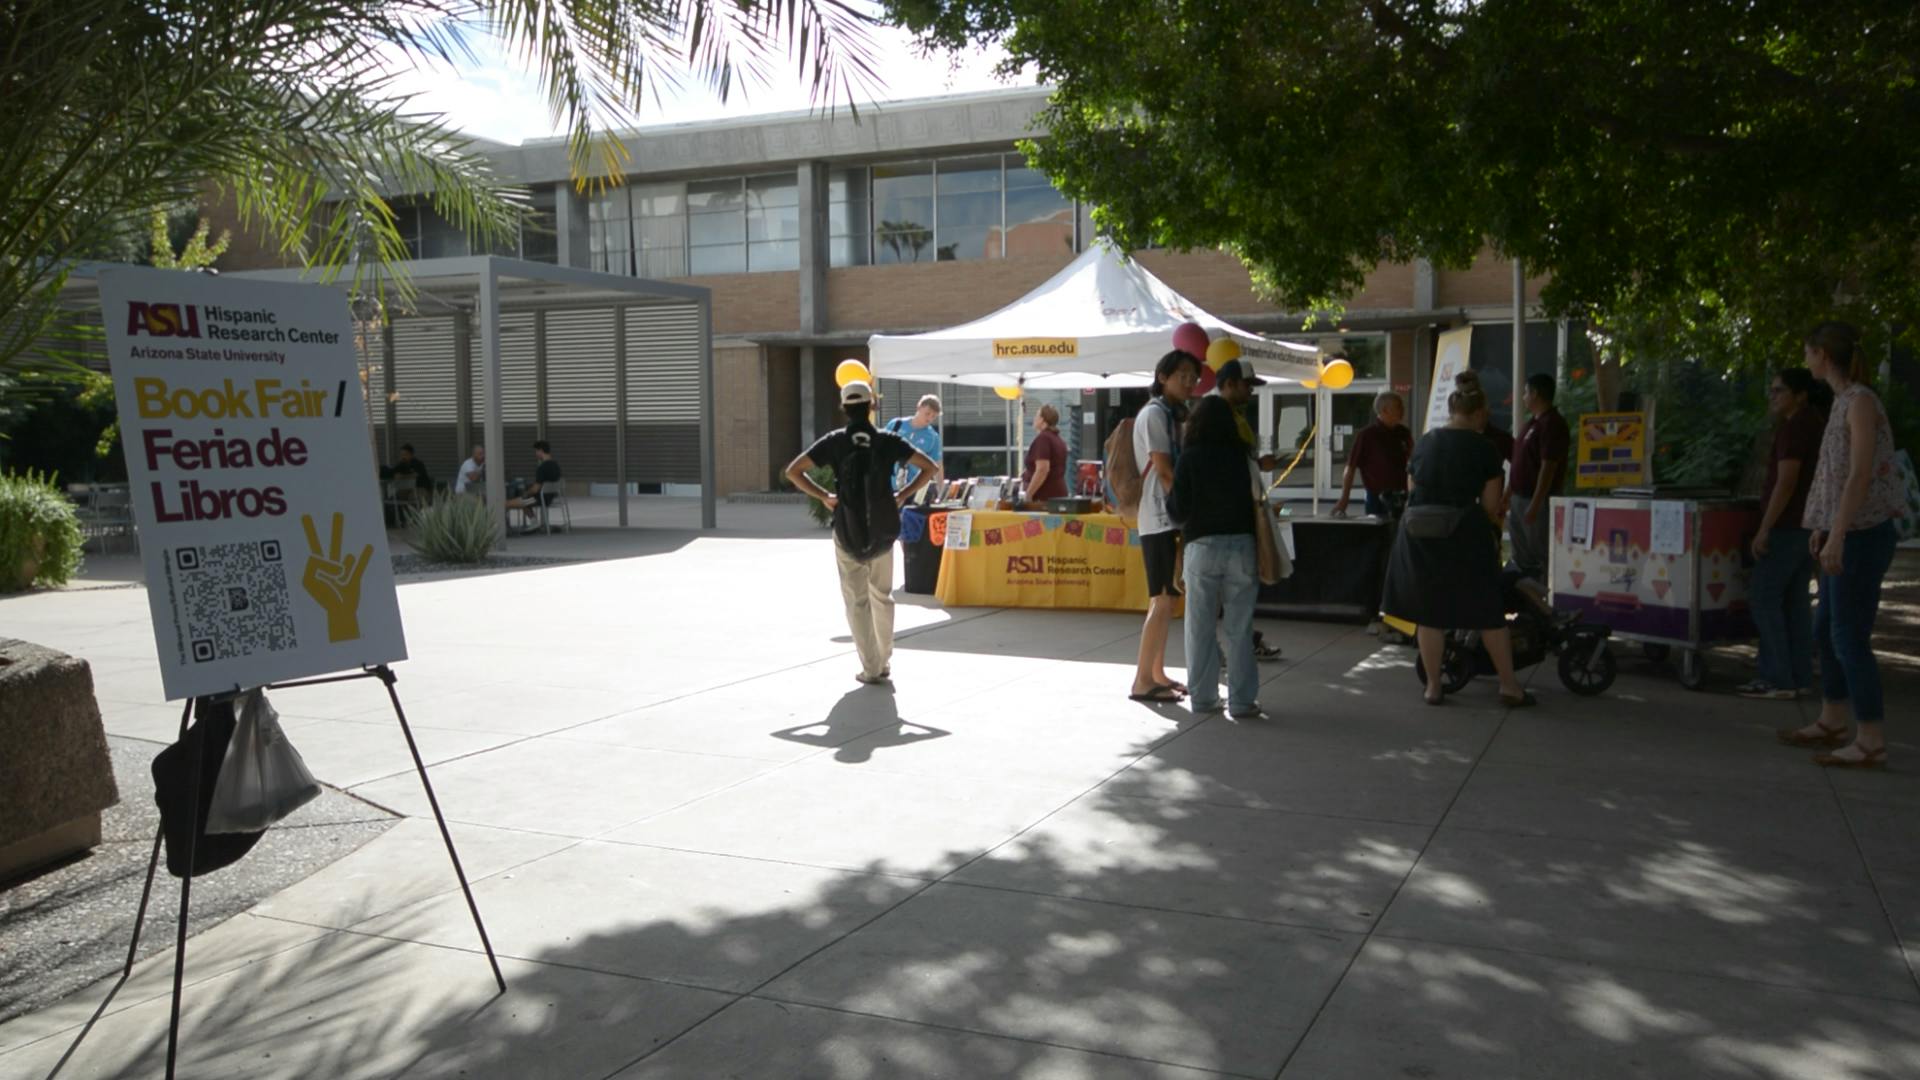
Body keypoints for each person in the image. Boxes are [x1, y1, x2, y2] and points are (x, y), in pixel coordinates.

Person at [1777, 322, 1904, 768]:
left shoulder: (1861, 401)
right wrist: (1823, 524)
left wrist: (1838, 532)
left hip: (1863, 536)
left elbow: (1859, 474)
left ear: (1823, 355)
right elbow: (1834, 474)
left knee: (1849, 636)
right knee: (1827, 630)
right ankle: (1832, 718)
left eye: (1808, 352)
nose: (1805, 359)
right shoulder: (1841, 402)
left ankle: (1870, 738)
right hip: (1844, 530)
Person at [1382, 378, 1536, 708]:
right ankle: (1509, 686)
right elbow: (1492, 503)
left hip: (1419, 536)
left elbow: (1412, 487)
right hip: (1465, 536)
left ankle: (1434, 686)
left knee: (1429, 613)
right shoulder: (1484, 449)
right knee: (1487, 611)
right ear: (1479, 413)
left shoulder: (1424, 443)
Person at [785, 380, 940, 685]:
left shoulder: (834, 441)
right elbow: (930, 467)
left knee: (856, 601)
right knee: (882, 596)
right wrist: (903, 494)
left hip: (847, 527)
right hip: (883, 527)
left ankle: (870, 666)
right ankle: (883, 661)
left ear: (844, 407)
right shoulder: (888, 439)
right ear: (872, 406)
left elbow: (793, 470)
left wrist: (824, 496)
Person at [1168, 396, 1263, 718]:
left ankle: (1205, 699)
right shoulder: (1242, 456)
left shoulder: (1189, 458)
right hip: (1242, 546)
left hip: (1202, 546)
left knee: (1200, 628)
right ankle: (1241, 702)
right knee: (1239, 627)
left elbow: (1177, 511)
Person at [1739, 367, 1825, 700]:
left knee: (1764, 598)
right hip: (1806, 526)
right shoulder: (1815, 424)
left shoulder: (1794, 430)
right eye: (1772, 391)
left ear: (1799, 395)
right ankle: (1798, 675)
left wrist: (1765, 527)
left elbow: (1786, 482)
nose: (1773, 397)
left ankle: (1776, 676)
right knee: (1795, 603)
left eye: (1779, 391)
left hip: (1787, 526)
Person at [1129, 349, 1202, 703]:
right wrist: (1187, 509)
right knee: (1161, 599)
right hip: (1160, 517)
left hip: (1164, 516)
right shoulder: (1156, 414)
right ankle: (1142, 681)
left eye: (1193, 376)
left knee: (1168, 599)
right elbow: (1164, 469)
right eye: (1183, 375)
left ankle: (1157, 674)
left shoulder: (1173, 415)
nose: (1189, 382)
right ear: (1163, 377)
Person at [1212, 357, 1284, 661]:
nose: (1251, 392)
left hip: (1237, 516)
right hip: (1225, 522)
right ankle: (1226, 653)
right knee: (1227, 595)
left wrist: (1257, 463)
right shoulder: (1215, 418)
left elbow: (1239, 463)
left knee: (1234, 595)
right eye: (1247, 385)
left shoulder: (1233, 416)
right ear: (1229, 385)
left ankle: (1231, 649)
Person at [1506, 373, 1571, 580]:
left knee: (1538, 553)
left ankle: (1541, 598)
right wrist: (1507, 495)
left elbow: (1548, 466)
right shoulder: (1531, 424)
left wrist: (1536, 503)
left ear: (1535, 394)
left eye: (1525, 392)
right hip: (1519, 497)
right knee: (1521, 554)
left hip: (1535, 501)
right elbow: (1518, 463)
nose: (1523, 397)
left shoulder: (1552, 424)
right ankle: (1525, 598)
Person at [1332, 392, 1413, 519]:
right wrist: (1344, 499)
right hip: (1377, 498)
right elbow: (1350, 468)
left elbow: (1412, 462)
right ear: (1385, 410)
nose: (1402, 410)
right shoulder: (1367, 435)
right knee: (1378, 536)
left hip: (1403, 496)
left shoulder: (1403, 433)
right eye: (1398, 407)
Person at [885, 394, 943, 491]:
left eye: (933, 416)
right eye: (927, 413)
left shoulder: (933, 437)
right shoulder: (896, 424)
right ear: (919, 407)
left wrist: (941, 492)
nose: (929, 419)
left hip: (912, 488)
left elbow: (938, 466)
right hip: (886, 484)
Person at [503, 440, 562, 532]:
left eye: (536, 451)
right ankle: (534, 522)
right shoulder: (556, 465)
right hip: (550, 497)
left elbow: (535, 489)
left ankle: (505, 529)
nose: (535, 454)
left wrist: (526, 493)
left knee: (506, 503)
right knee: (522, 500)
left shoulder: (542, 467)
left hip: (538, 498)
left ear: (540, 451)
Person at [1022, 403, 1070, 505]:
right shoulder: (1058, 439)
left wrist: (1029, 494)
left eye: (1036, 416)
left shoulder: (1043, 439)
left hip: (1044, 498)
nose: (1034, 419)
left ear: (1043, 420)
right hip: (1058, 493)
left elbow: (1042, 469)